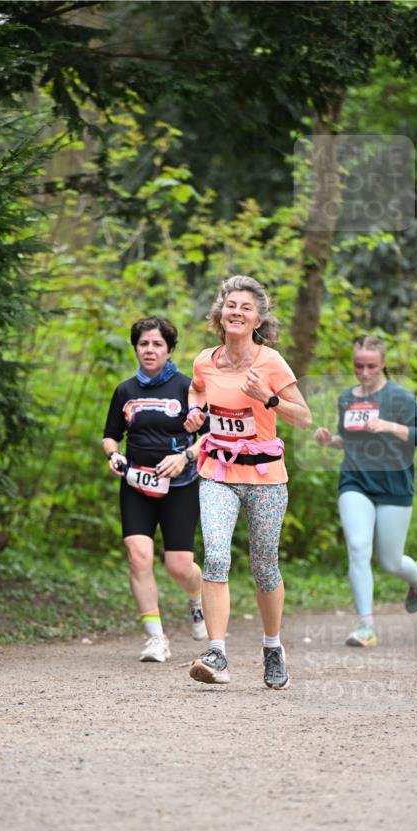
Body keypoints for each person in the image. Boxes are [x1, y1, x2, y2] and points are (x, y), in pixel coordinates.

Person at [183, 275, 312, 688]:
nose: (236, 312)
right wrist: (195, 413)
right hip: (217, 472)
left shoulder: (270, 363)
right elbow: (196, 390)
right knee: (217, 555)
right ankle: (216, 653)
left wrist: (268, 399)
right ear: (220, 313)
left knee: (264, 567)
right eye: (230, 305)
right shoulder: (205, 359)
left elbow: (304, 417)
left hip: (265, 478)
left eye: (246, 308)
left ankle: (273, 647)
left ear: (258, 319)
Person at [314, 335, 417, 647]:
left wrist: (390, 426)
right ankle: (365, 626)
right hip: (355, 481)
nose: (364, 373)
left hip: (394, 485)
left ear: (383, 365)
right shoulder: (346, 399)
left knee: (390, 561)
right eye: (358, 366)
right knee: (357, 546)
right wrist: (330, 440)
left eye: (371, 366)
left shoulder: (400, 398)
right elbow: (347, 438)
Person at [102, 316, 208, 663]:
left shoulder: (187, 387)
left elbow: (211, 435)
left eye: (157, 344)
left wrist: (185, 456)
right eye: (144, 344)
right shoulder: (125, 391)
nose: (149, 350)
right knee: (138, 556)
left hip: (180, 485)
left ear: (169, 349)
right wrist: (114, 455)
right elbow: (110, 435)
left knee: (179, 566)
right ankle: (156, 638)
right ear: (136, 348)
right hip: (136, 483)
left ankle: (197, 596)